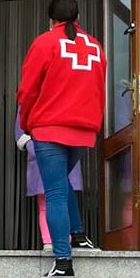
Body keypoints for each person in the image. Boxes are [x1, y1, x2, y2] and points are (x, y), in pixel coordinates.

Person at [16, 0, 106, 278]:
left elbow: (27, 90)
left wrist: (26, 123)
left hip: (50, 128)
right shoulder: (96, 46)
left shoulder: (45, 43)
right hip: (84, 130)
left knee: (53, 191)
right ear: (78, 18)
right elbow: (98, 88)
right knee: (61, 181)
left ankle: (63, 263)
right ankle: (78, 235)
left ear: (51, 19)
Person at [14, 107, 91, 251]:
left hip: (64, 149)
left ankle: (66, 241)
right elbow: (21, 127)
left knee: (62, 200)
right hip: (43, 155)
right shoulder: (33, 99)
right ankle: (50, 242)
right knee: (47, 203)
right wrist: (34, 147)